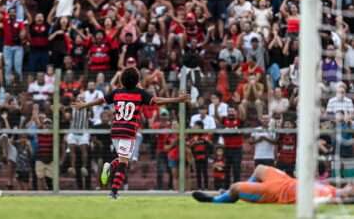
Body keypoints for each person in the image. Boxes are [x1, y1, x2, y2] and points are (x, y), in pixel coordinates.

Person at [73, 67, 189, 198]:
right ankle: (114, 191)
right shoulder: (139, 93)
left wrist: (84, 105)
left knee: (123, 159)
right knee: (123, 163)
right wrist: (177, 99)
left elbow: (101, 101)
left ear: (122, 80)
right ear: (136, 79)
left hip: (115, 130)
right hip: (128, 131)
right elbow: (157, 101)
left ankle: (110, 170)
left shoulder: (117, 92)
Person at [192, 165, 354, 204]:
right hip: (285, 181)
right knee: (260, 168)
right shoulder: (333, 188)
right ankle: (228, 192)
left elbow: (340, 200)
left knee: (236, 187)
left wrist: (345, 197)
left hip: (274, 192)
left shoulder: (331, 197)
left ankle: (216, 200)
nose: (351, 184)